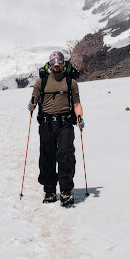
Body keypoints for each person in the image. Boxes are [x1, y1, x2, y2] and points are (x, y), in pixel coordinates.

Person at [28, 49, 85, 204]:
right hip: (46, 123)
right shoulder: (42, 81)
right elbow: (33, 98)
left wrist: (79, 117)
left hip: (65, 122)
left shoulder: (70, 82)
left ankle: (66, 190)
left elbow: (77, 103)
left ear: (63, 63)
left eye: (59, 62)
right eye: (53, 62)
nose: (56, 65)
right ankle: (50, 191)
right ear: (50, 64)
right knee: (47, 155)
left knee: (66, 154)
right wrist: (32, 105)